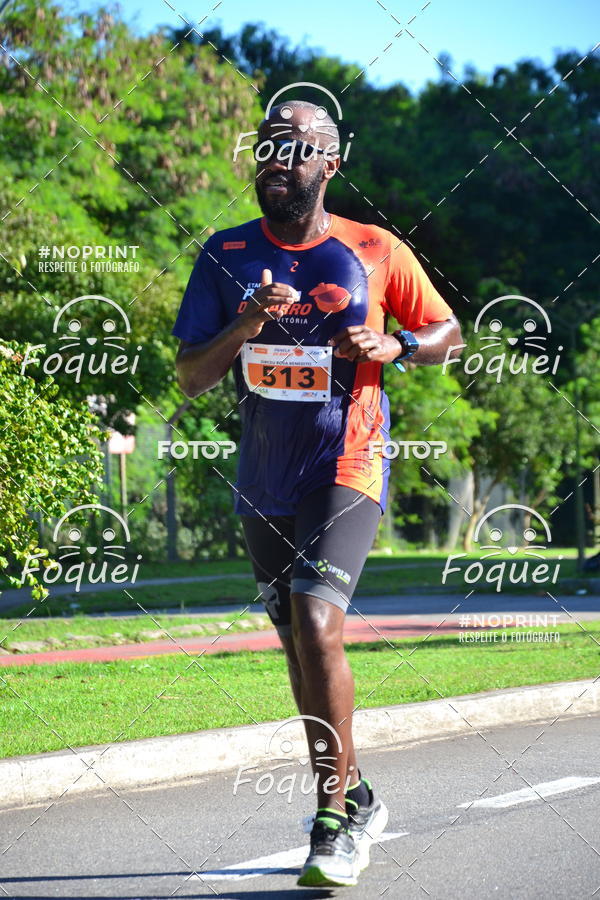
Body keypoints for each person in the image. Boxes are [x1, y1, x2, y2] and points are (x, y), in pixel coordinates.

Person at [173, 99, 463, 888]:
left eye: (294, 149)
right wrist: (242, 325)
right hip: (265, 473)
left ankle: (332, 821)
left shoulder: (374, 249)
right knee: (296, 641)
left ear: (328, 164)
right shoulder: (225, 252)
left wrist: (396, 343)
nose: (276, 159)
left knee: (316, 621)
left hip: (348, 461)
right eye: (266, 145)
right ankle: (359, 793)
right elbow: (192, 378)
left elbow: (448, 333)